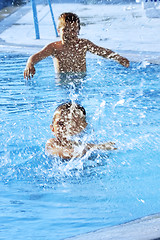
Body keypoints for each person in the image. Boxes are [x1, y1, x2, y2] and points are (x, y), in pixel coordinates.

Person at [24, 12, 129, 79]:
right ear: (58, 31)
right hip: (62, 81)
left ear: (78, 31)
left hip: (81, 79)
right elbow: (36, 56)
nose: (70, 33)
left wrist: (118, 58)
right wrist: (30, 64)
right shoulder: (54, 47)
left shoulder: (83, 44)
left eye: (73, 30)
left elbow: (102, 52)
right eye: (65, 30)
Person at [45, 102, 117, 159]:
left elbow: (90, 146)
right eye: (60, 123)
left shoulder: (77, 143)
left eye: (72, 124)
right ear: (52, 128)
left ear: (82, 127)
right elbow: (54, 151)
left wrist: (102, 146)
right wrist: (73, 152)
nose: (65, 127)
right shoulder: (52, 143)